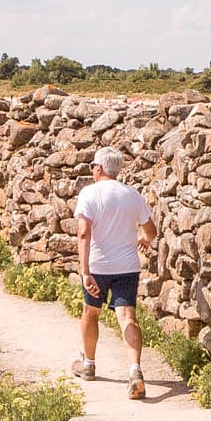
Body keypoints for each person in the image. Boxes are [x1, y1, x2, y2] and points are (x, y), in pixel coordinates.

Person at [71, 146, 157, 399]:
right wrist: (144, 239)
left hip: (98, 266)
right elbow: (151, 229)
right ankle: (135, 370)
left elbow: (83, 233)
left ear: (98, 168)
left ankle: (88, 364)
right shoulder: (132, 195)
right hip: (127, 266)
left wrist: (85, 271)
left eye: (92, 167)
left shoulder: (89, 193)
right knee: (127, 318)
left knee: (91, 312)